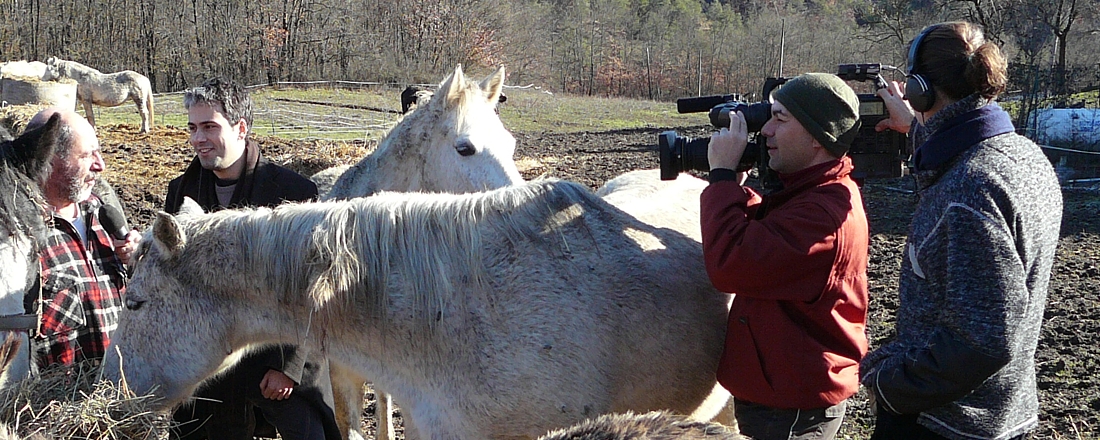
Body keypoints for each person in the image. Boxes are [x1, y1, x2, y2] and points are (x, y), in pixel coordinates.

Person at [860, 22, 1062, 440]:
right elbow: (963, 145)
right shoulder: (1023, 154)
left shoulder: (968, 190)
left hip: (944, 423)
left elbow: (980, 342)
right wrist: (915, 128)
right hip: (1004, 414)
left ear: (919, 88)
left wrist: (886, 383)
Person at [164, 77, 340, 440]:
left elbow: (317, 289)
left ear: (241, 128)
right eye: (193, 128)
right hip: (208, 367)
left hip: (278, 355)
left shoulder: (292, 192)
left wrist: (289, 368)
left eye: (210, 126)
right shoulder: (180, 192)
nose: (198, 139)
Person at [700, 73, 869, 440]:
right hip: (780, 394)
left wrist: (722, 178)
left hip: (793, 412)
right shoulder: (812, 193)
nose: (767, 132)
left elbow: (732, 263)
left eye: (780, 119)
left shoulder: (824, 216)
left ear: (815, 138)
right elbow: (772, 234)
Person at [24, 108, 141, 368]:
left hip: (121, 396)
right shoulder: (19, 239)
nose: (101, 165)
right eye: (87, 155)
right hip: (56, 404)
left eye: (99, 152)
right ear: (48, 159)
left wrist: (141, 262)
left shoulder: (104, 216)